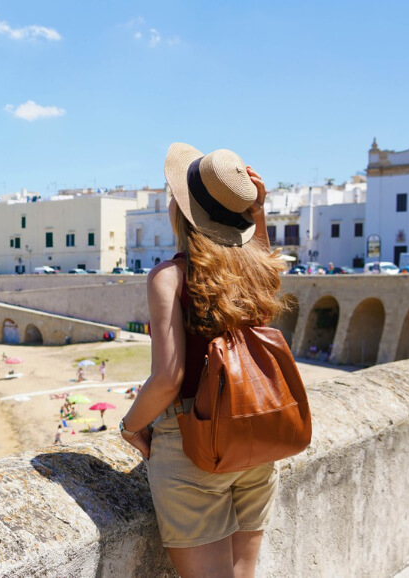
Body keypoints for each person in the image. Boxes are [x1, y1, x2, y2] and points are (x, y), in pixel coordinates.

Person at [118, 144, 289, 578]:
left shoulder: (170, 276)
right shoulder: (259, 272)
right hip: (255, 437)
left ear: (180, 209)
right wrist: (258, 214)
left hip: (194, 445)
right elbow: (261, 257)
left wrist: (131, 427)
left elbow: (169, 378)